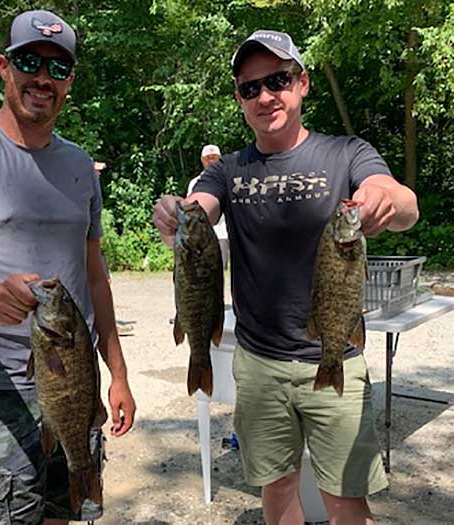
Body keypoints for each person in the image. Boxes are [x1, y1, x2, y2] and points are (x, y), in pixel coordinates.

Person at [153, 30, 419, 525]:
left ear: (302, 84)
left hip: (336, 354)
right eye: (250, 87)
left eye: (276, 80)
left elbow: (402, 203)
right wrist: (175, 212)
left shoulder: (346, 152)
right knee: (276, 487)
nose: (264, 96)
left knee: (346, 499)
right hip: (259, 364)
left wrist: (389, 200)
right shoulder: (228, 170)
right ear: (239, 98)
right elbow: (199, 209)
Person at [0, 10, 136, 524]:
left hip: (76, 379)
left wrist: (117, 373)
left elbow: (94, 275)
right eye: (29, 61)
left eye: (57, 69)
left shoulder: (80, 165)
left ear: (70, 81)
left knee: (67, 506)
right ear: (4, 67)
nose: (42, 78)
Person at [94, 160, 134, 337]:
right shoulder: (88, 186)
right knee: (101, 280)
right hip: (92, 245)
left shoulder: (94, 187)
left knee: (105, 280)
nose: (99, 174)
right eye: (96, 170)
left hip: (95, 242)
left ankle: (109, 321)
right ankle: (108, 324)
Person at [187, 145, 230, 271]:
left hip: (222, 233)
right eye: (208, 158)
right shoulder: (195, 183)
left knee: (221, 272)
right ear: (202, 160)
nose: (211, 161)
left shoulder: (228, 180)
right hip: (201, 237)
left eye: (214, 157)